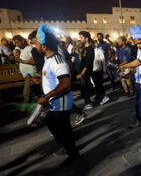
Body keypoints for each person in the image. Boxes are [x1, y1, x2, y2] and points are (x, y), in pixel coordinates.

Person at [31, 24, 80, 167]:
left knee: (62, 130)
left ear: (44, 46)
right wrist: (39, 80)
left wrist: (45, 97)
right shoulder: (48, 59)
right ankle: (68, 145)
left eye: (36, 43)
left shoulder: (58, 60)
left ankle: (73, 154)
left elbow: (65, 83)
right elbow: (52, 79)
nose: (35, 46)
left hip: (61, 103)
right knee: (55, 127)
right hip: (53, 103)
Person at [12, 35, 40, 111]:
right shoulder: (23, 50)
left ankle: (23, 112)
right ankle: (47, 105)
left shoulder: (30, 48)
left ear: (23, 41)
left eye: (17, 42)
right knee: (38, 93)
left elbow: (33, 61)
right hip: (27, 76)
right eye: (15, 43)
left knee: (26, 93)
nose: (16, 44)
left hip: (31, 75)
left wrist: (20, 61)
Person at [77, 31, 95, 110]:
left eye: (81, 37)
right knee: (84, 87)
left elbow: (88, 63)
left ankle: (88, 103)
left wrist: (82, 73)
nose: (79, 39)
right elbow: (84, 58)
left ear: (86, 39)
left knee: (83, 87)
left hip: (86, 72)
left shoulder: (90, 49)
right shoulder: (85, 48)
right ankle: (88, 101)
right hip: (83, 71)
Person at [92, 41, 110, 106]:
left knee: (99, 84)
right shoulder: (88, 51)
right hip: (92, 70)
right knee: (95, 84)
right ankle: (100, 95)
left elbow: (103, 59)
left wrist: (104, 69)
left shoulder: (98, 50)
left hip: (98, 70)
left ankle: (103, 97)